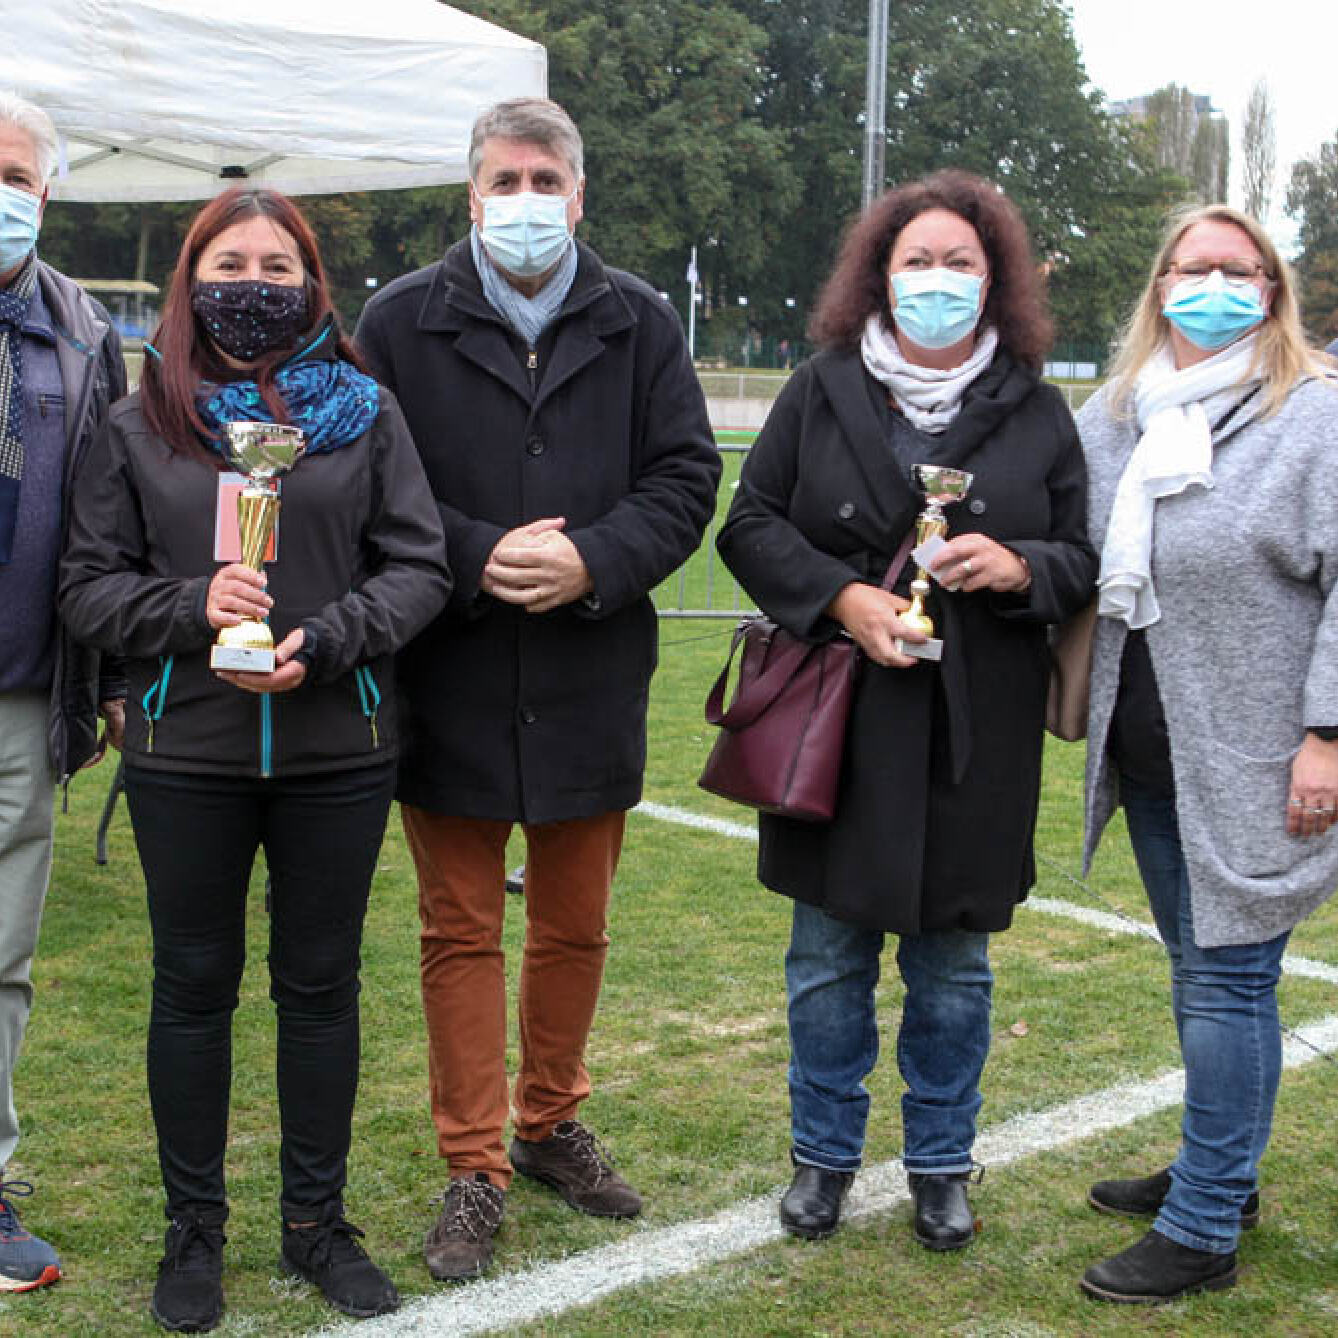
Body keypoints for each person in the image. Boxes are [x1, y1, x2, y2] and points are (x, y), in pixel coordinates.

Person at [59, 187, 450, 1331]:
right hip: (188, 750)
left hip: (337, 747)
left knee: (320, 988)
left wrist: (327, 642)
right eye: (230, 263)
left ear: (312, 284)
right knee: (192, 988)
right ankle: (195, 1229)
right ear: (191, 279)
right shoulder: (140, 421)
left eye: (278, 266)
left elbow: (418, 565)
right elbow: (88, 585)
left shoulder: (367, 413)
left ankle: (316, 1223)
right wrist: (194, 608)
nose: (254, 283)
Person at [355, 97, 719, 1281]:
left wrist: (594, 560)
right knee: (457, 930)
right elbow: (366, 477)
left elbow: (686, 478)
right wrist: (473, 553)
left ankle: (550, 1120)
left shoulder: (641, 320)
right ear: (472, 197)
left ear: (578, 193)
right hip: (448, 672)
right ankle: (474, 1163)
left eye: (544, 180)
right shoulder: (398, 320)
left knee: (575, 925)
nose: (525, 200)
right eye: (504, 181)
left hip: (589, 672)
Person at [716, 170, 1097, 1250]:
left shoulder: (1037, 409)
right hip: (838, 721)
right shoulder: (820, 388)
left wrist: (1019, 567)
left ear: (995, 279)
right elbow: (750, 525)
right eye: (917, 261)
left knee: (955, 970)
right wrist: (843, 598)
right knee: (826, 961)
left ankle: (939, 1162)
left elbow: (1083, 555)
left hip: (978, 734)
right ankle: (823, 1156)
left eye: (959, 263)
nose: (938, 279)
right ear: (879, 277)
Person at [1075, 204, 1338, 1304]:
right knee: (1202, 973)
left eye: (1240, 269)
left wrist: (1328, 735)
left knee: (1230, 979)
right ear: (1161, 284)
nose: (1215, 286)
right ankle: (1219, 1171)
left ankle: (1203, 1226)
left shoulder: (1315, 413)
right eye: (1194, 268)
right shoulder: (1117, 416)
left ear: (1271, 290)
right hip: (1149, 746)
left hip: (1262, 752)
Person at [0, 90, 126, 1295]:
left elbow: (112, 525)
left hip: (23, 698)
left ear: (47, 191)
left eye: (13, 176)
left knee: (1, 958)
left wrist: (114, 680)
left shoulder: (85, 330)